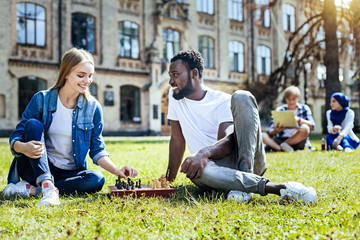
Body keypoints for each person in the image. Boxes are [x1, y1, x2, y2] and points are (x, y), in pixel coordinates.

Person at [165, 50, 317, 204]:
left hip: (245, 159)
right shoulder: (175, 97)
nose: (171, 81)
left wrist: (204, 153)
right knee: (197, 170)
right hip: (212, 171)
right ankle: (278, 188)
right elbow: (177, 140)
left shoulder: (222, 101)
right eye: (170, 75)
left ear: (194, 74)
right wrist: (167, 181)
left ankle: (247, 177)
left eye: (175, 74)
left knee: (242, 96)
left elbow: (230, 141)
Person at [3, 48, 138, 206]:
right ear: (66, 73)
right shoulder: (41, 99)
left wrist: (117, 170)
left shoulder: (93, 108)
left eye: (90, 75)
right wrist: (22, 147)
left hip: (68, 174)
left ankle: (34, 190)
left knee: (96, 179)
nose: (87, 81)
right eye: (81, 75)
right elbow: (17, 134)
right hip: (36, 167)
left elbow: (97, 149)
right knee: (33, 124)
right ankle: (46, 185)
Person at [262, 86, 315, 152]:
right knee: (262, 135)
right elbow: (270, 133)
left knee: (305, 128)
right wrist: (276, 130)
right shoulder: (279, 110)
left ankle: (283, 146)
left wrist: (299, 120)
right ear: (286, 99)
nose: (291, 102)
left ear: (298, 98)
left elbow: (312, 126)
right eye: (289, 99)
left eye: (293, 99)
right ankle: (281, 148)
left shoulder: (304, 109)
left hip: (297, 140)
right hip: (281, 139)